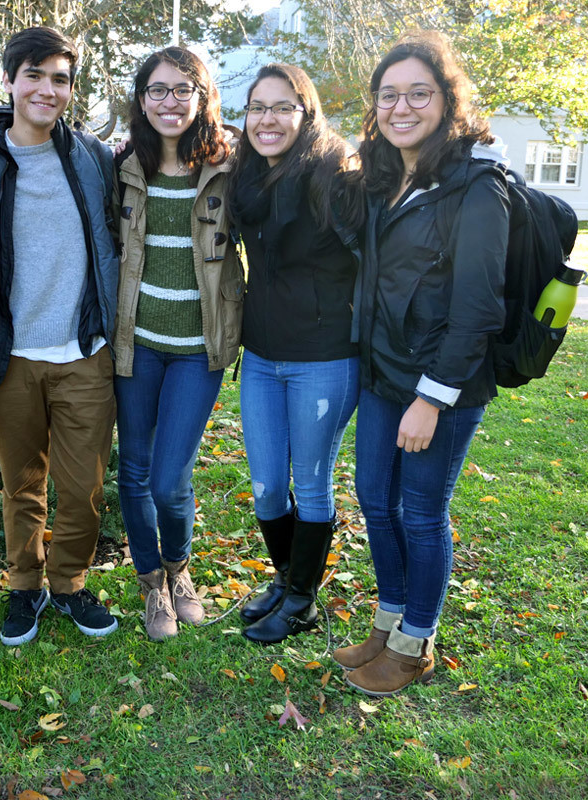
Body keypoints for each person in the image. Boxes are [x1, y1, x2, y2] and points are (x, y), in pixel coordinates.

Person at [337, 31, 508, 696]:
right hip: (383, 375)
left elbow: (477, 309)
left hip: (442, 384)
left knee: (420, 511)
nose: (401, 107)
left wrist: (431, 399)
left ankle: (416, 643)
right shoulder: (386, 178)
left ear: (446, 101)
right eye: (389, 95)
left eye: (418, 93)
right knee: (375, 502)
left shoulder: (476, 185)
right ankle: (388, 623)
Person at [0, 26, 121, 646]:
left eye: (61, 79)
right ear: (10, 81)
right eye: (35, 76)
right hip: (11, 354)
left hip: (84, 352)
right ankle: (25, 587)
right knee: (22, 484)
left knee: (82, 487)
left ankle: (70, 583)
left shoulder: (93, 159)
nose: (48, 90)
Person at [225, 64, 365, 645]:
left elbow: (376, 258)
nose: (268, 119)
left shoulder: (336, 174)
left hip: (324, 357)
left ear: (306, 113)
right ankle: (286, 581)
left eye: (283, 107)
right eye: (258, 107)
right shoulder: (247, 179)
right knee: (264, 485)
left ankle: (304, 600)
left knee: (310, 484)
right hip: (260, 354)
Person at [111, 47, 241, 641]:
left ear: (202, 97)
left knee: (169, 479)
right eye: (158, 90)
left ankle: (180, 569)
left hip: (197, 348)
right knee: (133, 474)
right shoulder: (124, 167)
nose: (170, 102)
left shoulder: (228, 169)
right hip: (136, 347)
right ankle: (152, 586)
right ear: (142, 99)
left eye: (182, 90)